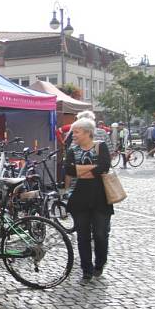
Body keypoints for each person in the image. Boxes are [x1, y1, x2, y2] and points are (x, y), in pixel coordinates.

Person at [64, 118, 113, 281]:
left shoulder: (100, 146)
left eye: (77, 132)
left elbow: (104, 167)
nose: (74, 135)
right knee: (83, 235)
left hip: (101, 197)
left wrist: (81, 170)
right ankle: (86, 268)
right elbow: (69, 170)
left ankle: (100, 263)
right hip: (79, 197)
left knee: (100, 234)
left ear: (87, 132)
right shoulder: (72, 150)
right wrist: (92, 168)